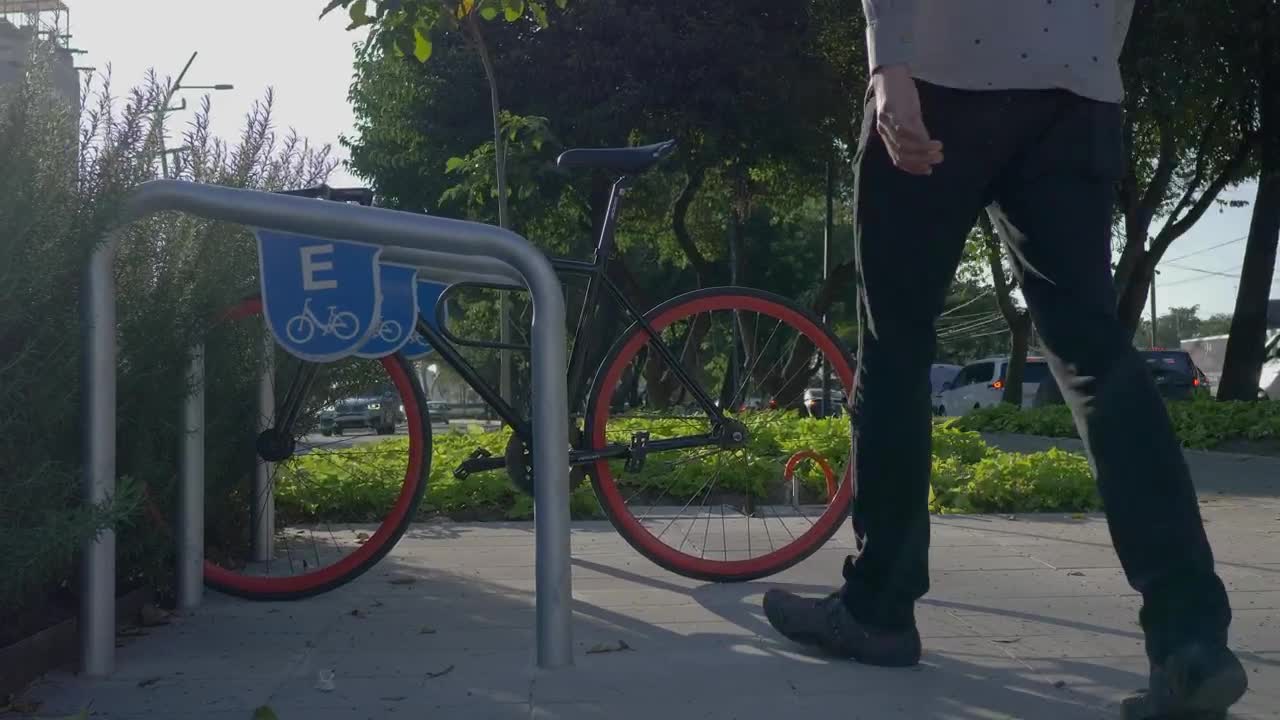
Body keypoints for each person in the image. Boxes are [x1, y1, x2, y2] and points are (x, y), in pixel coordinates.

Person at [761, 2, 1248, 718]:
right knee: (1097, 362)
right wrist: (1086, 53)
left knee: (896, 349)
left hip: (939, 74)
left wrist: (889, 66)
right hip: (1077, 90)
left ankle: (878, 608)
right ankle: (1190, 641)